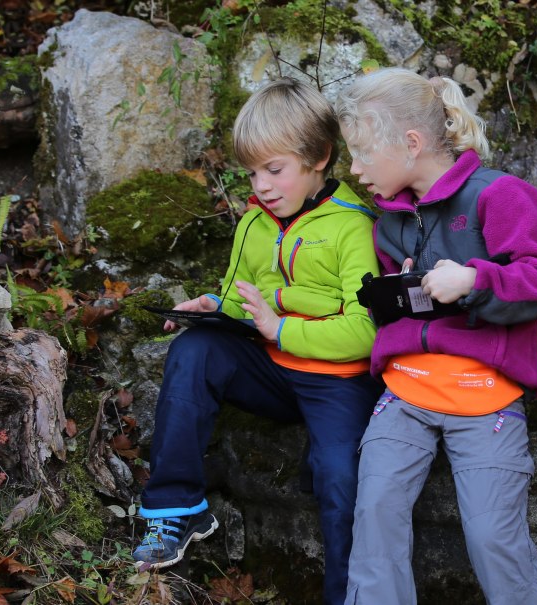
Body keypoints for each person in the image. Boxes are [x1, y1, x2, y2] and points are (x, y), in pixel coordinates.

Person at [133, 78, 381, 605]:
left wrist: (282, 328)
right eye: (252, 172)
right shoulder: (253, 222)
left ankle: (348, 595)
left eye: (275, 169)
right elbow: (240, 301)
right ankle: (176, 507)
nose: (262, 185)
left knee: (340, 478)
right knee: (193, 350)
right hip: (271, 370)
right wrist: (211, 308)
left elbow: (366, 333)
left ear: (319, 157)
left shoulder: (354, 228)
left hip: (337, 384)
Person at [334, 67, 537, 605]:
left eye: (363, 153)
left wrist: (475, 279)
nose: (355, 168)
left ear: (411, 143)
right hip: (406, 392)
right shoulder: (387, 222)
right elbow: (395, 312)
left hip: (486, 399)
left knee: (493, 539)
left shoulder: (500, 196)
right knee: (374, 515)